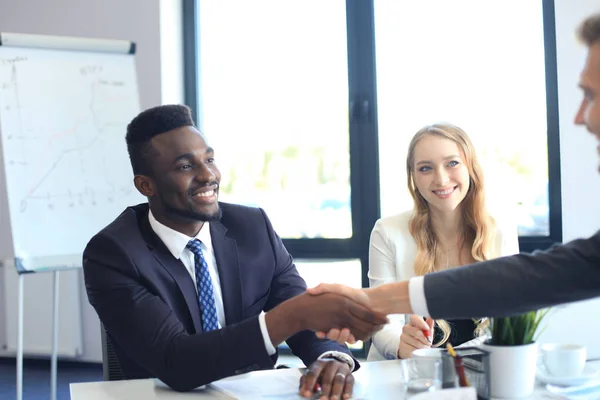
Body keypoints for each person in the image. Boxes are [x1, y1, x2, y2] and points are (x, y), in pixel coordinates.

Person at [309, 12, 600, 343]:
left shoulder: (498, 224)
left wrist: (366, 303)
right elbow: (539, 275)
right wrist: (367, 304)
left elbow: (519, 282)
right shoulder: (389, 230)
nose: (579, 118)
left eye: (590, 96)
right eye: (425, 167)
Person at [82, 104, 387, 398]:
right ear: (146, 185)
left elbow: (301, 311)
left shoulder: (252, 227)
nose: (208, 175)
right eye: (186, 166)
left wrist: (332, 359)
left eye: (210, 160)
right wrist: (290, 317)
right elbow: (176, 362)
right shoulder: (113, 254)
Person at [367, 123, 518, 362]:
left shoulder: (500, 229)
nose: (441, 178)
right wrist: (401, 345)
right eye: (425, 168)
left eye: (452, 163)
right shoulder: (387, 232)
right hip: (409, 376)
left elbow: (510, 319)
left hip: (481, 372)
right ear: (413, 178)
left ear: (471, 167)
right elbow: (380, 320)